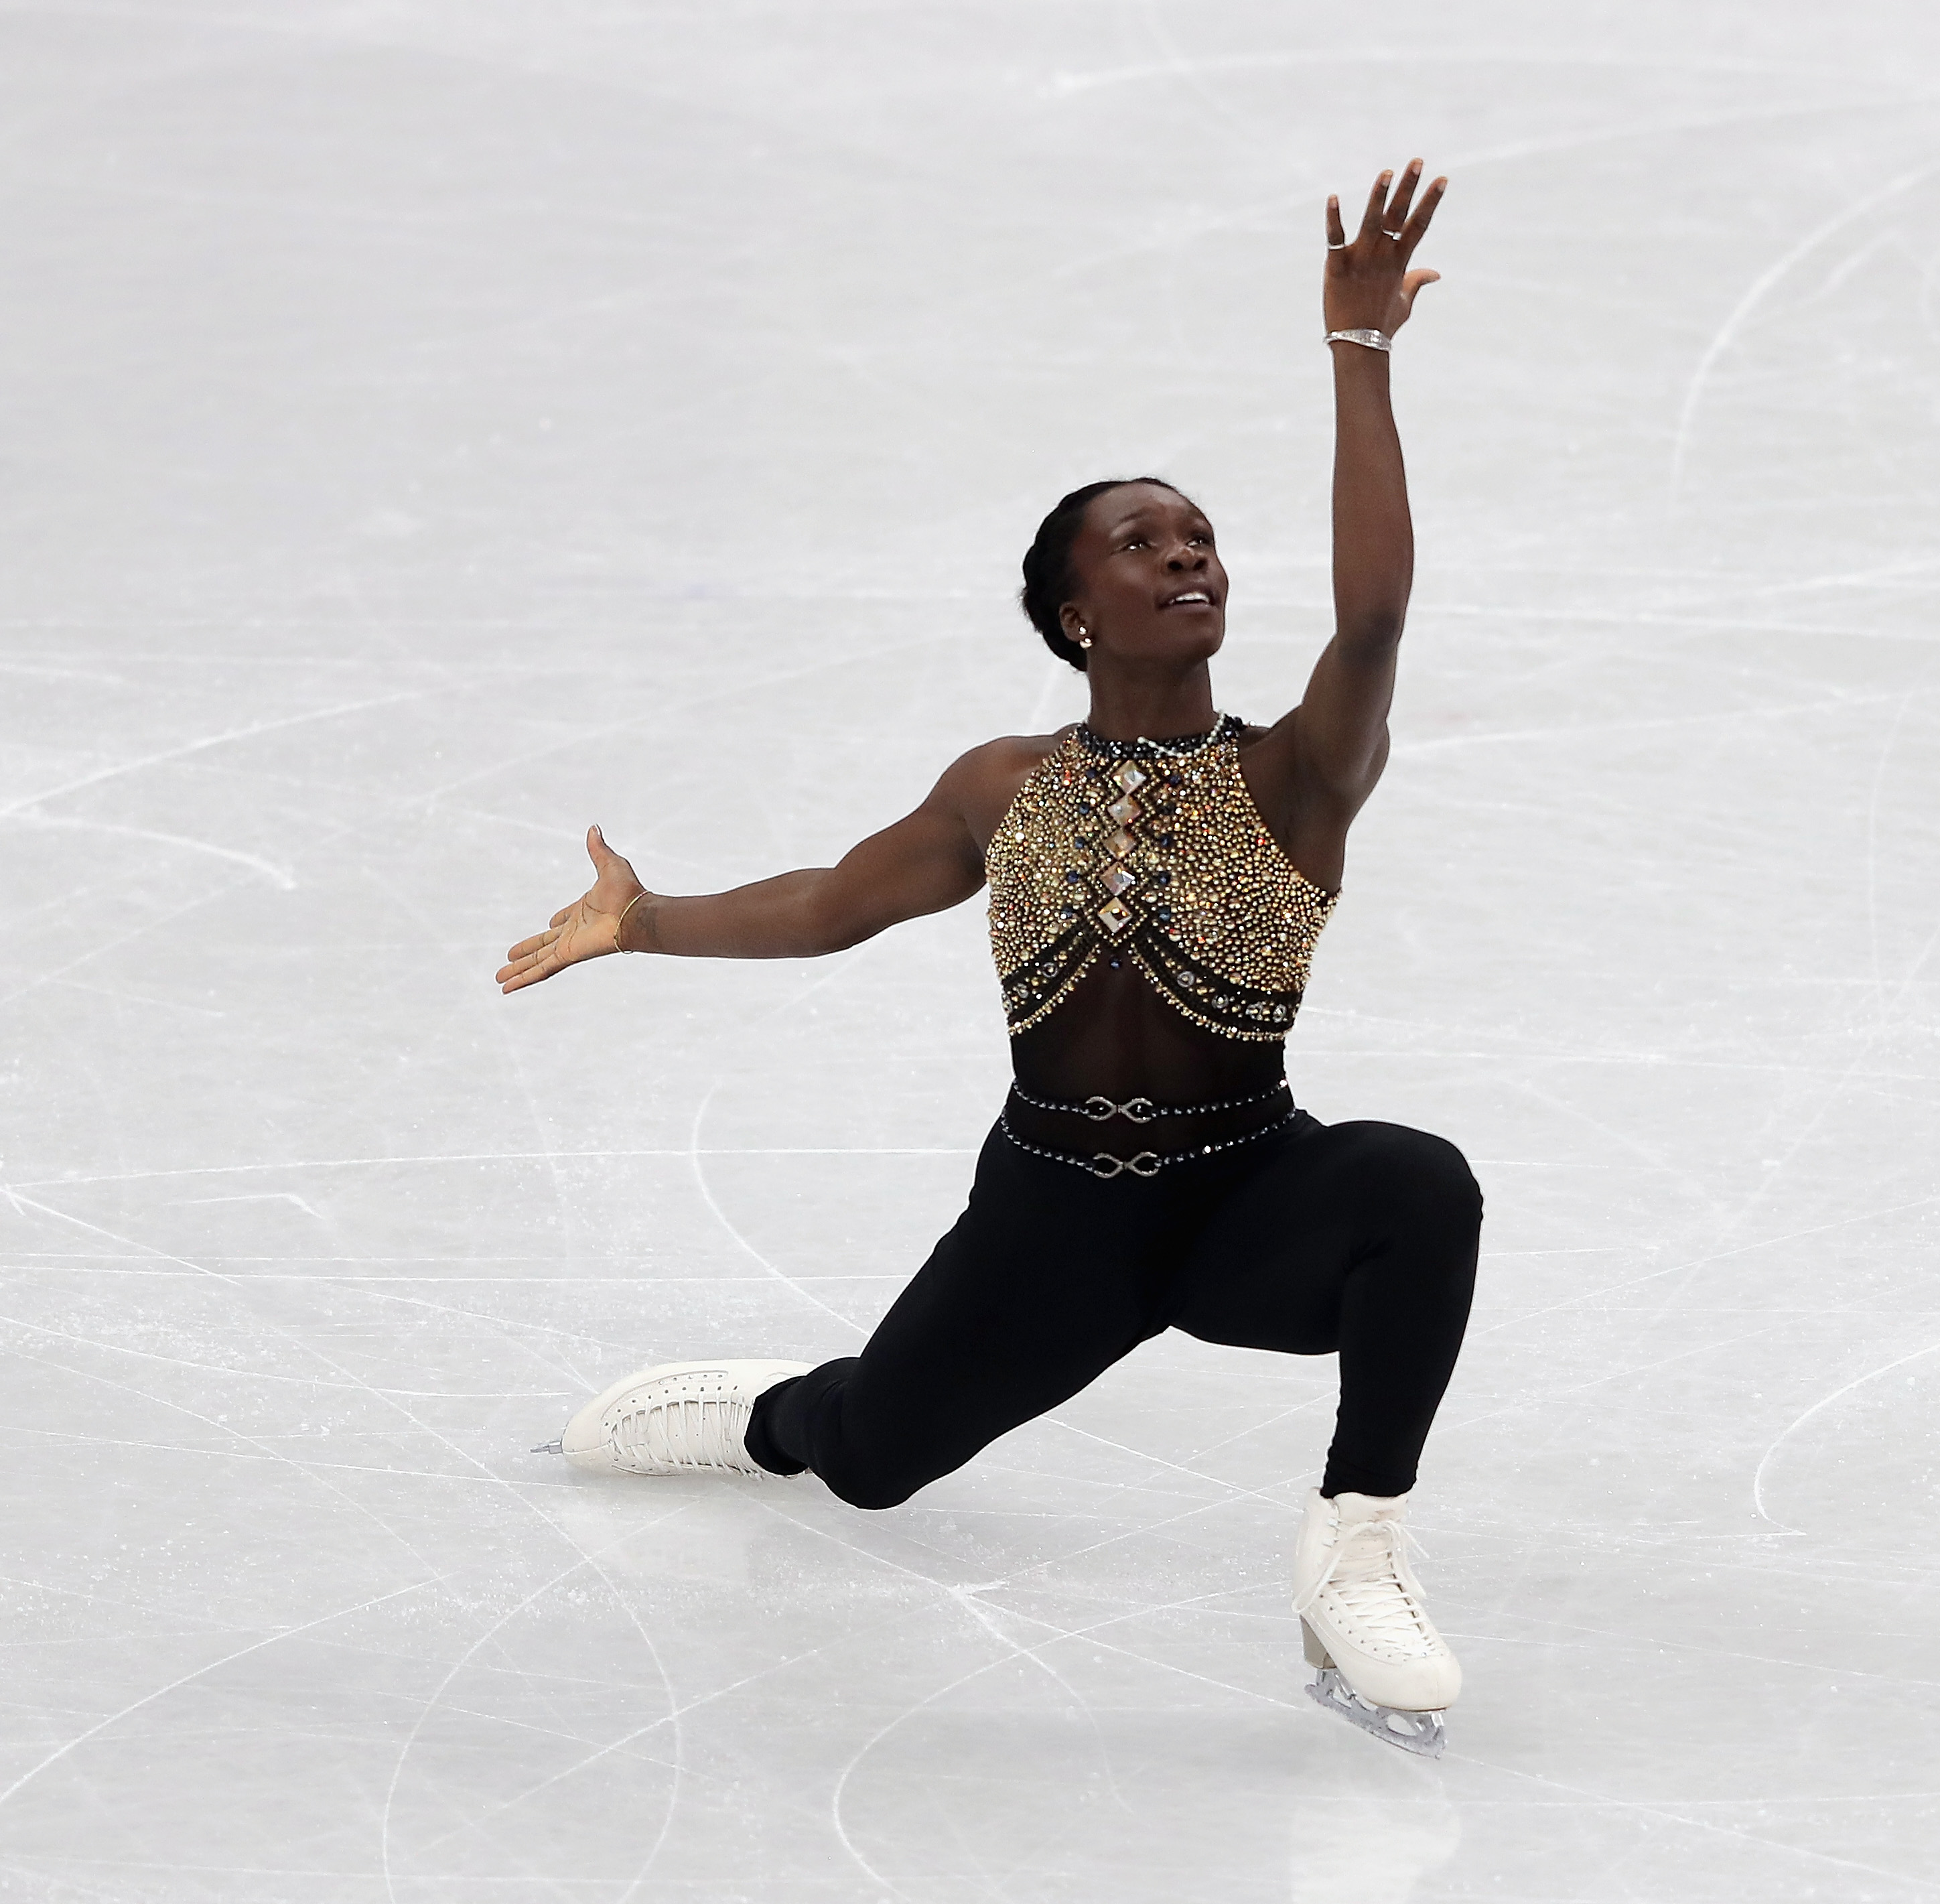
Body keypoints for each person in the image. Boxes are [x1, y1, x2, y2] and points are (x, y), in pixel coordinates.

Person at [494, 161, 1476, 1756]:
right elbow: (834, 901)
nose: (1186, 557)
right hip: (1053, 1215)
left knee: (1420, 1181)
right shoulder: (1002, 788)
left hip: (1247, 1198)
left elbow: (1373, 619)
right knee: (875, 1455)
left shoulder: (1293, 773)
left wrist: (1356, 359)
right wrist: (646, 916)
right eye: (1141, 543)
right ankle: (769, 1409)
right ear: (1070, 610)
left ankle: (1356, 1545)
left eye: (1203, 538)